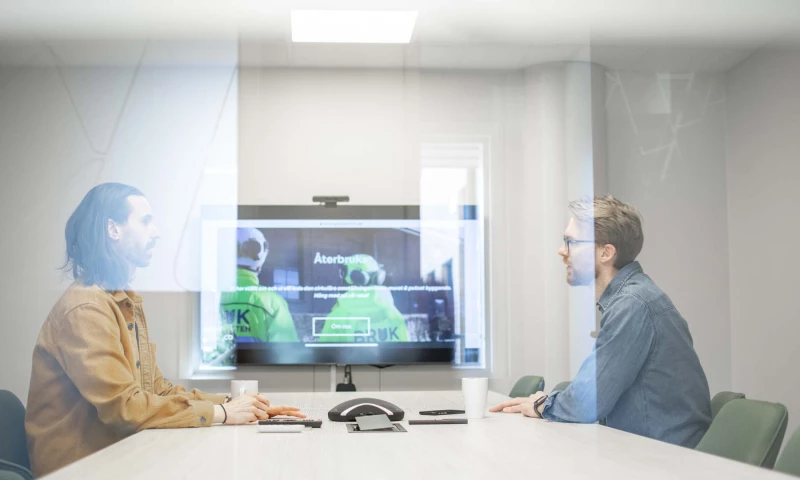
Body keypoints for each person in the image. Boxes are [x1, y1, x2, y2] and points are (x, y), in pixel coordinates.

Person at [25, 183, 304, 477]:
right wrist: (222, 413)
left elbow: (158, 390)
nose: (156, 232)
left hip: (118, 457)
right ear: (113, 229)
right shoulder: (86, 308)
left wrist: (231, 403)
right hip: (81, 470)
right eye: (145, 221)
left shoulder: (123, 301)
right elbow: (125, 409)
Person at [490, 194, 711, 448]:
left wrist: (541, 405)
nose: (562, 251)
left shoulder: (633, 304)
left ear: (606, 252)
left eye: (571, 242)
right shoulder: (632, 298)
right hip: (647, 451)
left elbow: (585, 403)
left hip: (664, 458)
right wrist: (548, 404)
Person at [210, 228, 299, 366]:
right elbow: (288, 357)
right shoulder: (272, 303)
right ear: (259, 261)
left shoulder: (210, 299)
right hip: (261, 378)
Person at [319, 254, 408, 343]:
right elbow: (405, 349)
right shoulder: (394, 315)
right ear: (378, 277)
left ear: (354, 276)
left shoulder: (337, 317)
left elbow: (324, 350)